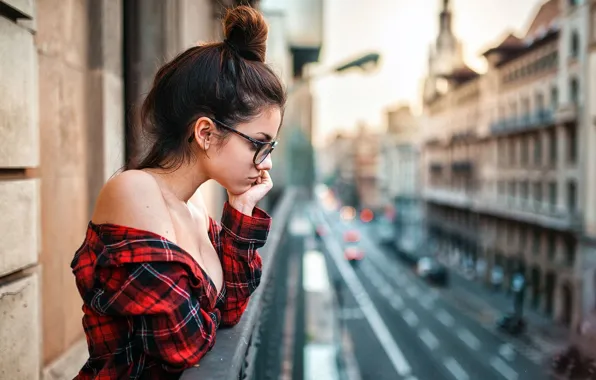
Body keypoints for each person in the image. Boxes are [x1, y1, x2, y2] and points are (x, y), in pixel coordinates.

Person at [70, 5, 285, 379]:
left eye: (270, 148)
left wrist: (240, 209)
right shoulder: (134, 191)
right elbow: (182, 345)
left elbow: (231, 308)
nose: (264, 163)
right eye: (259, 143)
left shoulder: (195, 206)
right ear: (205, 133)